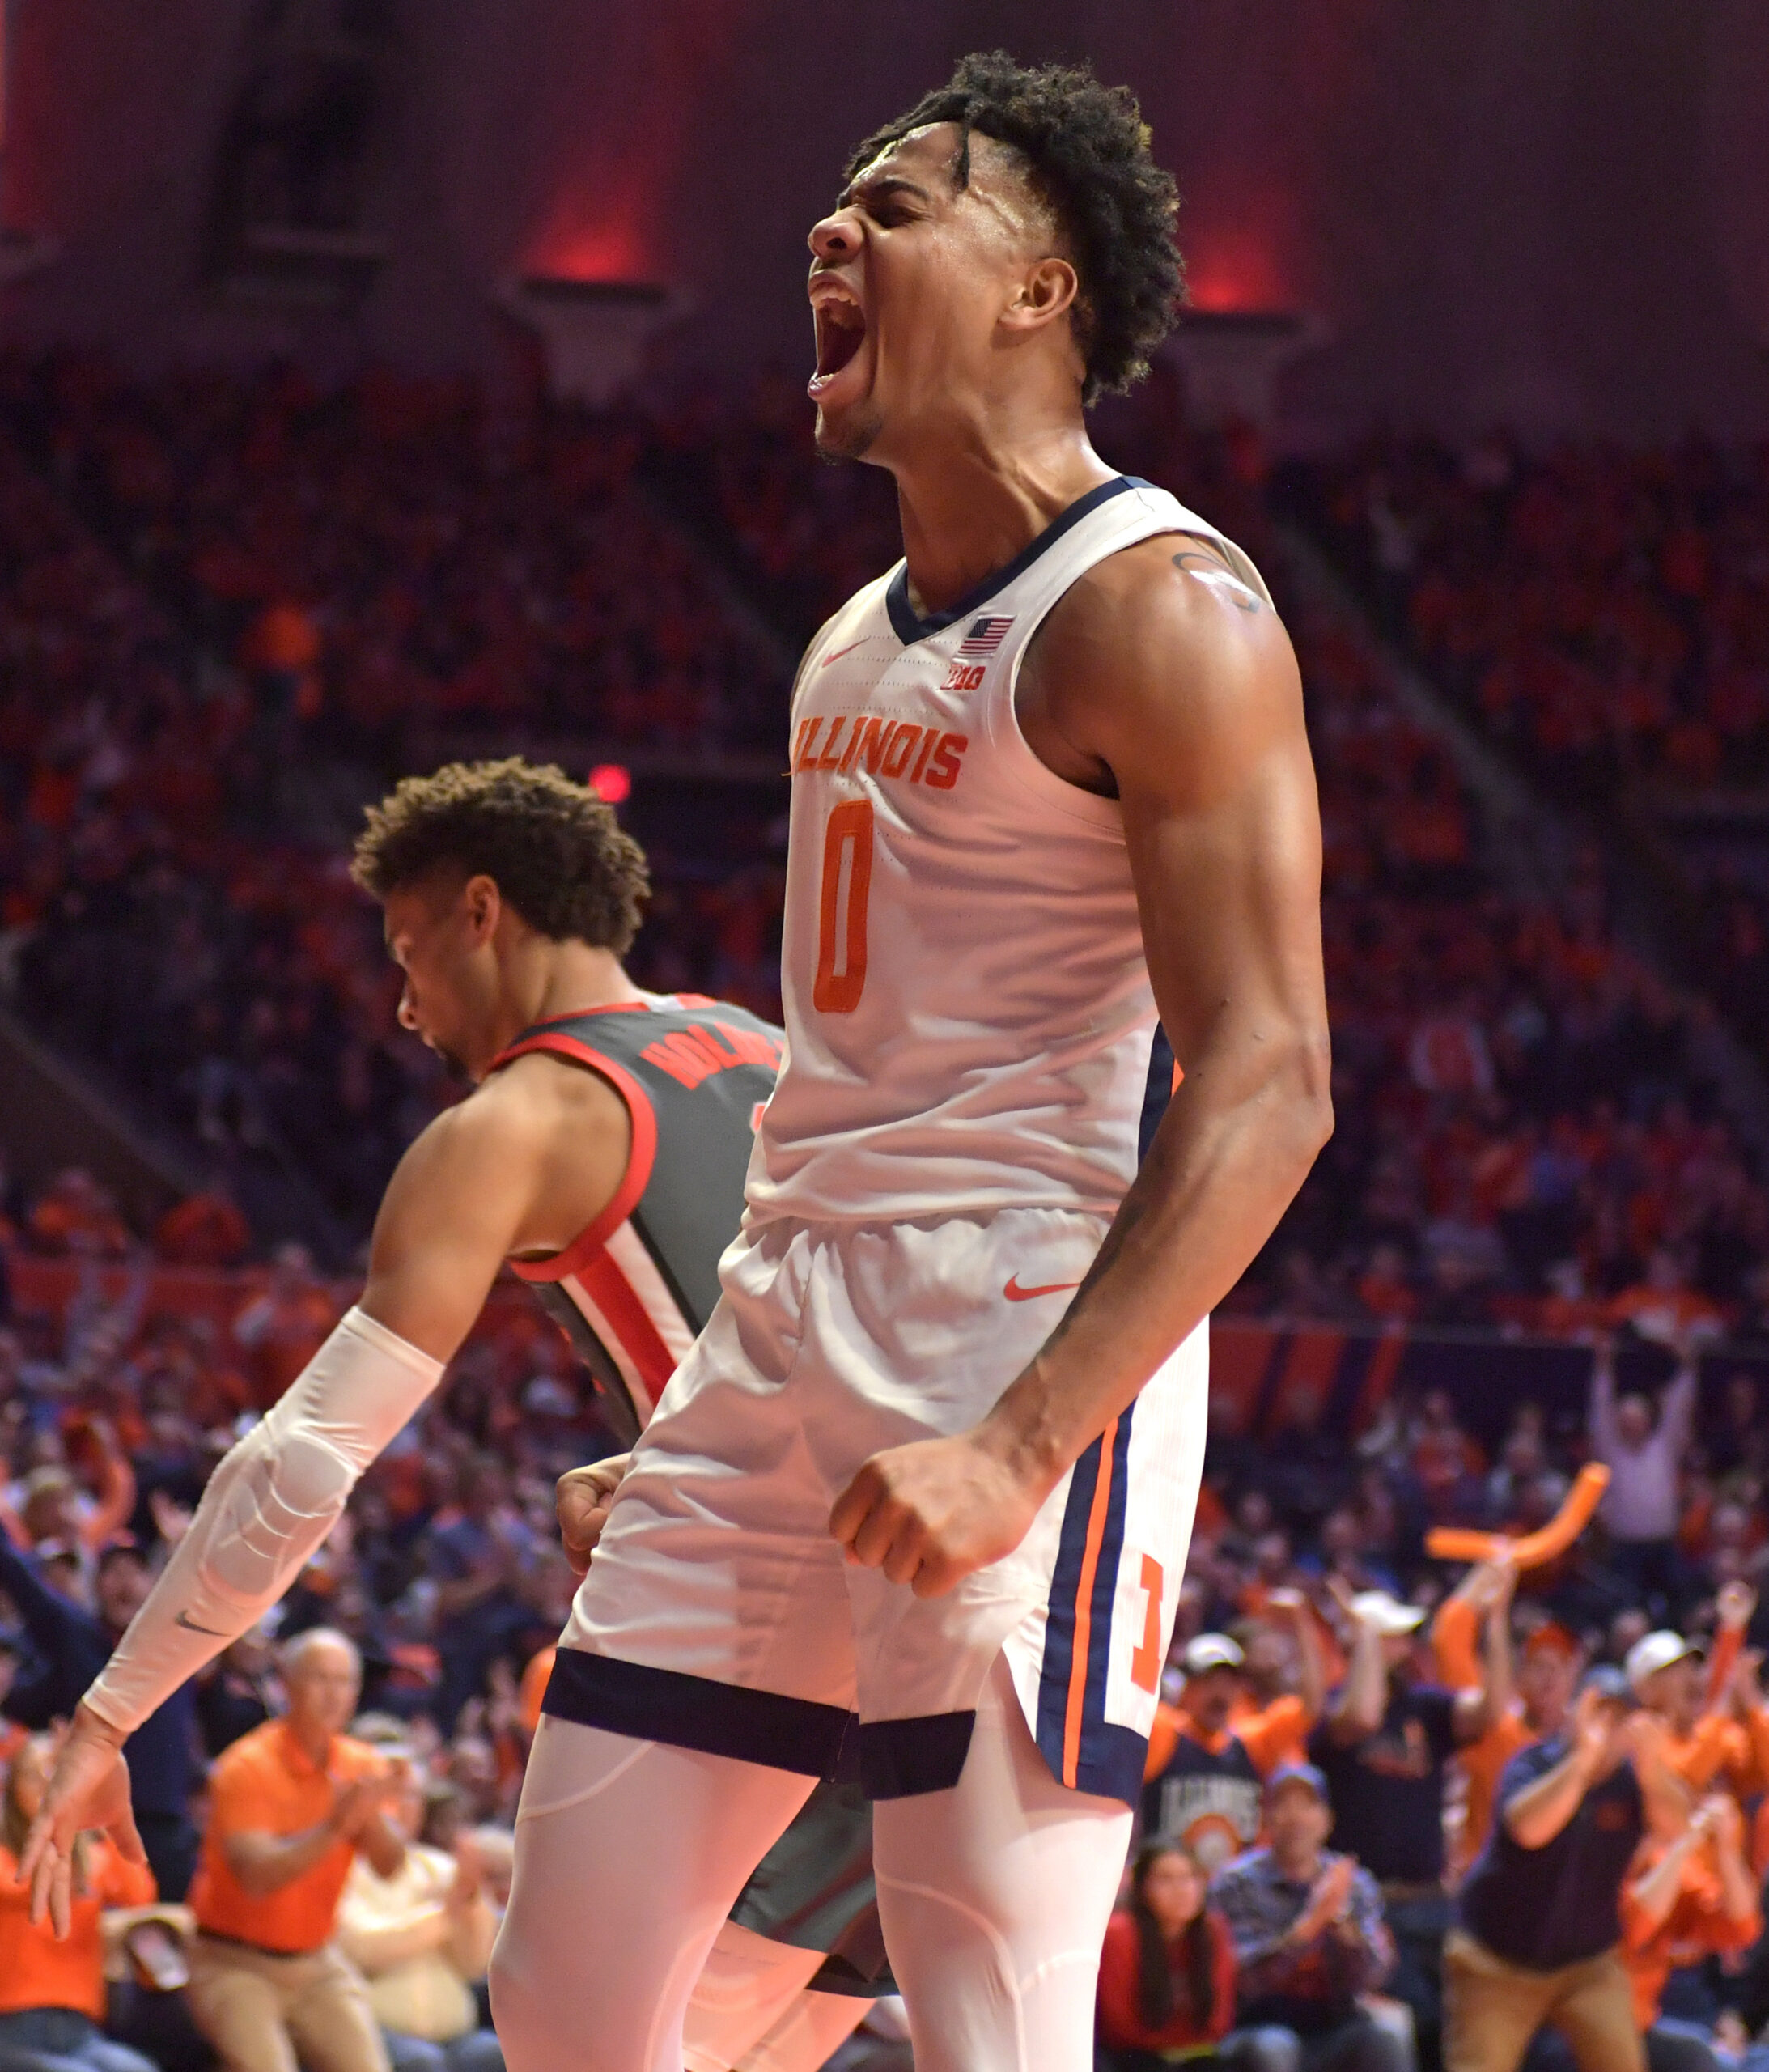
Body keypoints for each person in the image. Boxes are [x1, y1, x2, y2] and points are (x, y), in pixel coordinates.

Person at [487, 53, 1326, 2072]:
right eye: (834, 208)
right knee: (571, 2005)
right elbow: (838, 1090)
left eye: (896, 202)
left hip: (1016, 1324)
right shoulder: (850, 634)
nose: (827, 233)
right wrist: (707, 1401)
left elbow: (1273, 1076)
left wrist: (1020, 1441)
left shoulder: (1167, 609)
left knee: (990, 2020)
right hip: (782, 1327)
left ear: (1042, 289)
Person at [24, 760, 871, 2070]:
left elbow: (300, 1463)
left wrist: (108, 1717)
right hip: (912, 1662)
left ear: (485, 912)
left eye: (410, 954)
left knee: (559, 2037)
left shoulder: (522, 1118)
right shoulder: (761, 1044)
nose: (408, 1008)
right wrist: (651, 1455)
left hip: (751, 1662)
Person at [180, 1628, 407, 2072]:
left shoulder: (363, 1764)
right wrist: (337, 1826)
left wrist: (371, 1811)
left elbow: (390, 1866)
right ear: (286, 1684)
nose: (334, 1694)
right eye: (319, 1679)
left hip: (317, 1962)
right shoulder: (245, 1768)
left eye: (345, 1682)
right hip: (233, 1961)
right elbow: (256, 1877)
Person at [1312, 1589, 1497, 2070]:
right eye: (1391, 1635)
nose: (1404, 1643)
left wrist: (1495, 1622)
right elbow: (1362, 1717)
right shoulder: (1335, 1708)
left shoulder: (1425, 1707)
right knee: (1405, 2024)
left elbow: (1491, 1712)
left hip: (1430, 1899)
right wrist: (1364, 1640)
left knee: (1453, 2022)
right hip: (1369, 1905)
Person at [1444, 1667, 1661, 2072]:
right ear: (1574, 1713)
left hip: (1587, 1964)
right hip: (1497, 1960)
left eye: (1619, 1718)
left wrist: (1654, 1770)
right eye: (1598, 1713)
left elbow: (1676, 1830)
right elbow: (1530, 1830)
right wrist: (1582, 1762)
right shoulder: (1531, 1764)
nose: (1607, 1728)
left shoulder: (1635, 1784)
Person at [0, 1534, 201, 1900]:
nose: (125, 1582)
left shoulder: (178, 1639)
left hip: (165, 1834)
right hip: (91, 1834)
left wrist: (187, 1551)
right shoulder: (76, 1638)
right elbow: (23, 1584)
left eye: (136, 1571)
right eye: (113, 1572)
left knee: (166, 1946)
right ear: (95, 1586)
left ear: (155, 1583)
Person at [1208, 1765, 1402, 2072]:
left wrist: (1342, 1927)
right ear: (1266, 1819)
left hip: (1334, 2023)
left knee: (1386, 2038)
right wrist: (1309, 1925)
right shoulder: (1236, 1883)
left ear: (1327, 1820)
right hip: (1259, 2023)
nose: (1296, 1817)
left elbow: (1372, 1977)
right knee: (1275, 2049)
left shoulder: (1354, 1883)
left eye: (1307, 1805)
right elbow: (1243, 1980)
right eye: (1283, 1806)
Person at [334, 1757, 503, 2072]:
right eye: (390, 1794)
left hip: (455, 2033)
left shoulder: (440, 1868)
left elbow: (473, 1964)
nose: (401, 1806)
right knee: (422, 2063)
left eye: (411, 1795)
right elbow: (363, 1947)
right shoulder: (342, 1871)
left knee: (494, 2052)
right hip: (380, 2032)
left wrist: (472, 1899)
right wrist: (446, 1915)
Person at [0, 1737, 159, 2072]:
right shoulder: (5, 1858)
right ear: (13, 1789)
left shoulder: (94, 1860)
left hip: (81, 2031)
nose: (48, 1785)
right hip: (11, 2029)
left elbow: (139, 1894)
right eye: (35, 1775)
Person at [1143, 1600, 1328, 1875]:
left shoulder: (1252, 1743)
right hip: (1169, 1889)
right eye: (1209, 1682)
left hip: (1234, 1897)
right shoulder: (1163, 1732)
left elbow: (1311, 1706)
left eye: (1229, 1683)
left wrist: (1302, 1622)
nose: (1220, 1693)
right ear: (1187, 1688)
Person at [1097, 1839, 1279, 2070]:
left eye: (1189, 1877)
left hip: (1200, 2058)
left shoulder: (1214, 1929)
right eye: (1166, 1879)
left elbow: (1219, 2022)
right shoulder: (1119, 1933)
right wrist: (1178, 2040)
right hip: (1134, 2059)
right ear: (1142, 1887)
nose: (1181, 1889)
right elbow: (1119, 2028)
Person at [1620, 1794, 1760, 2072]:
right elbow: (1631, 1927)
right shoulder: (1587, 1864)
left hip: (1637, 2029)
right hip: (1568, 2027)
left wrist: (1726, 1850)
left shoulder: (1667, 1866)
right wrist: (1682, 1848)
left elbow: (1740, 1928)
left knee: (1703, 2060)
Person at [1588, 1333, 1698, 1617]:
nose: (1630, 1424)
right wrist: (1603, 1367)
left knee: (1679, 1607)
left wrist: (1687, 1368)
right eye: (1624, 1419)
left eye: (1636, 1418)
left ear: (1648, 1420)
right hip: (1626, 1547)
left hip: (1664, 1545)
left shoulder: (1664, 1447)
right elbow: (1600, 1411)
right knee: (1627, 1609)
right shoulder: (1612, 1451)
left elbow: (1678, 1410)